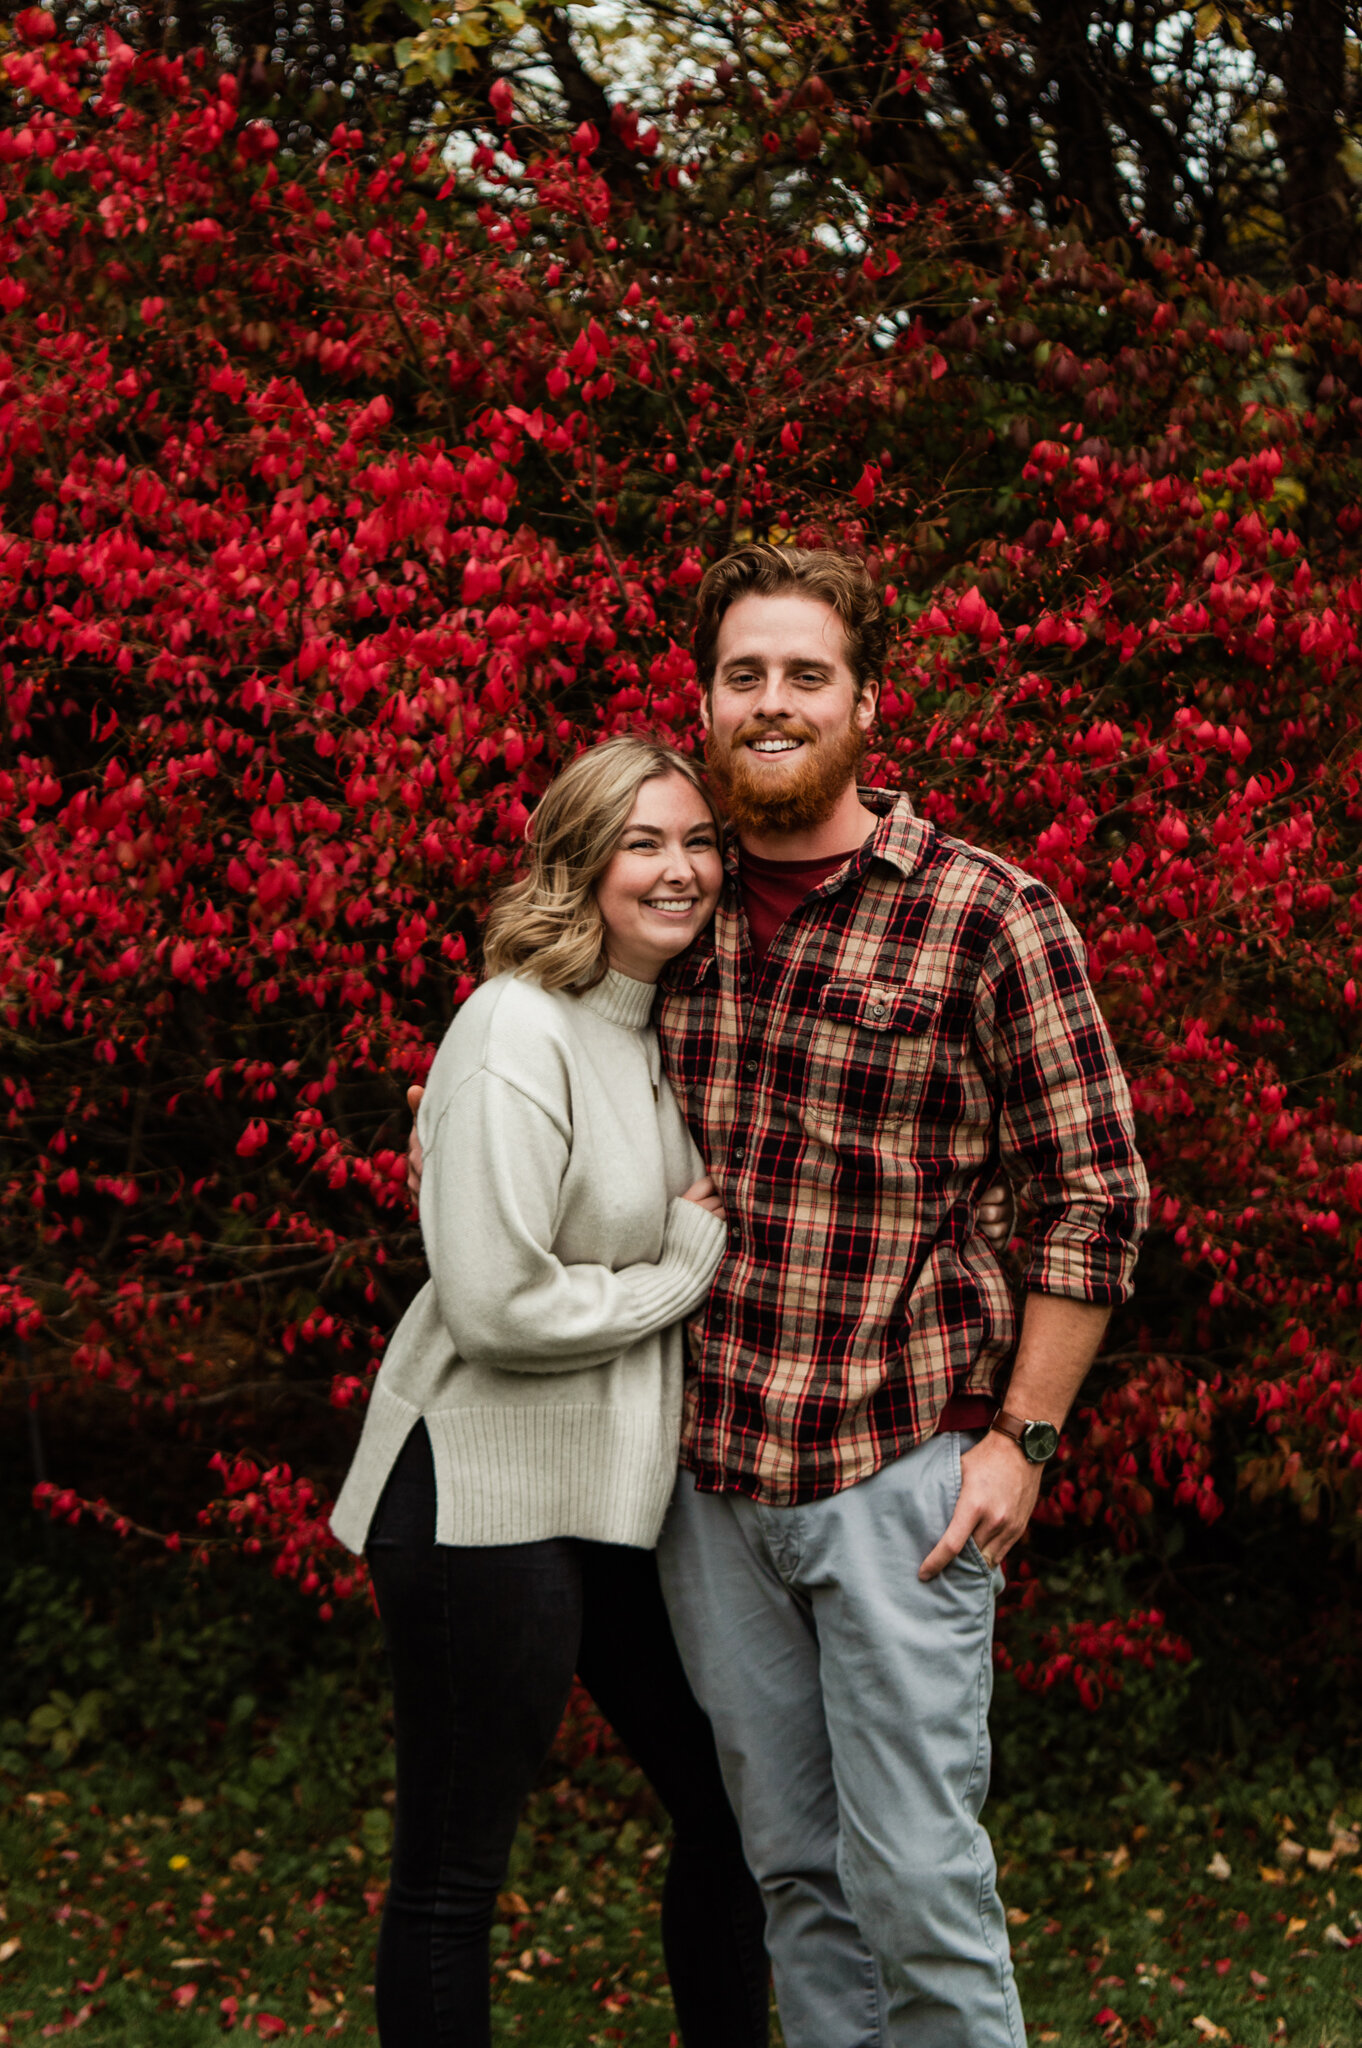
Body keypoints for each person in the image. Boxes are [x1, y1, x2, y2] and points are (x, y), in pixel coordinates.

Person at [404, 545, 1147, 2048]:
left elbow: (1095, 1196)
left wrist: (1025, 1439)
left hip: (899, 1480)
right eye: (743, 675)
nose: (771, 701)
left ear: (866, 703)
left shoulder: (985, 916)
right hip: (714, 1498)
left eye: (804, 673)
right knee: (789, 1874)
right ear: (708, 701)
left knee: (920, 1878)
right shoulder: (683, 908)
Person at [330, 736, 771, 2048]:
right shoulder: (511, 1027)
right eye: (644, 843)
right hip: (477, 1492)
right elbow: (496, 1304)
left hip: (610, 1498)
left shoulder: (652, 1025)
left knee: (728, 1802)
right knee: (455, 1871)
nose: (680, 868)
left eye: (698, 842)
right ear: (577, 863)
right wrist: (678, 1270)